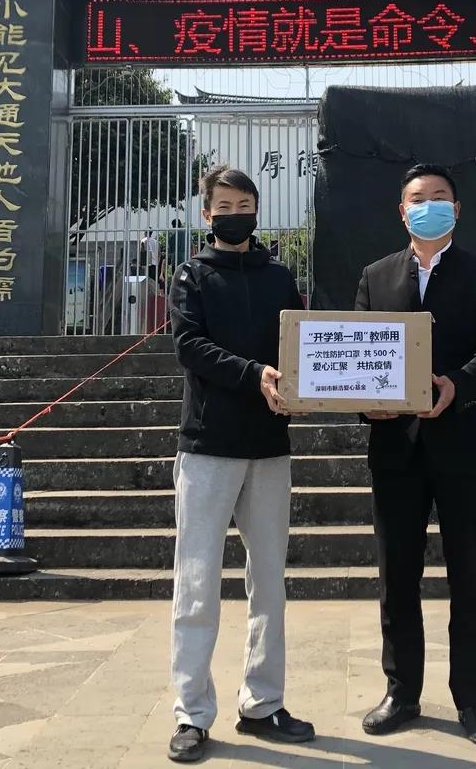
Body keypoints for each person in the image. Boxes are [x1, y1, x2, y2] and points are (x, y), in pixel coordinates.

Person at [355, 163, 476, 748]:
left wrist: (459, 385)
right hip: (395, 449)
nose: (429, 205)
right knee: (396, 575)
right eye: (418, 198)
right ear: (403, 212)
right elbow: (357, 353)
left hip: (463, 445)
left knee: (470, 576)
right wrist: (367, 406)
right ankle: (401, 691)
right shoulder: (375, 277)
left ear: (457, 208)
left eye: (440, 197)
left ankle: (473, 699)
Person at [167, 165, 316, 764]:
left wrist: (305, 387)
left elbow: (301, 347)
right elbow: (189, 346)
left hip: (269, 447)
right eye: (223, 206)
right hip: (207, 446)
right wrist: (255, 375)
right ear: (207, 215)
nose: (235, 215)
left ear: (257, 209)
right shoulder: (192, 275)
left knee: (269, 582)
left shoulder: (279, 277)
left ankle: (263, 702)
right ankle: (191, 712)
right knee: (197, 583)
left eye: (244, 204)